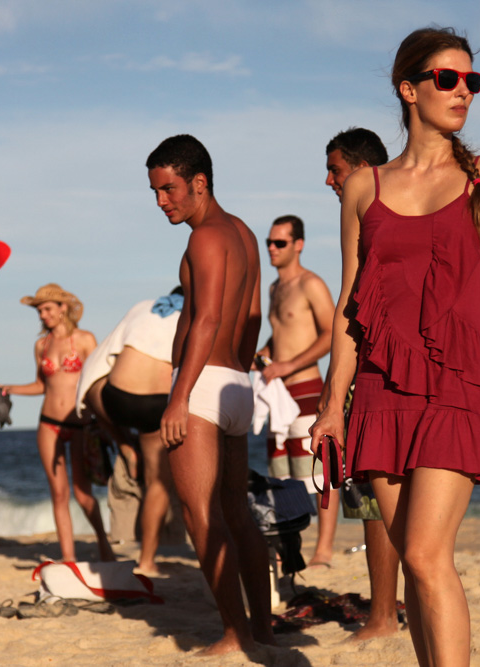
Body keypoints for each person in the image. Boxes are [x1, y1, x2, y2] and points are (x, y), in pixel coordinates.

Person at [310, 28, 480, 665]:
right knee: (413, 571)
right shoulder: (364, 187)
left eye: (472, 81)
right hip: (382, 391)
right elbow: (349, 305)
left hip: (457, 381)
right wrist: (334, 403)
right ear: (409, 89)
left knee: (423, 554)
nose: (464, 92)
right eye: (449, 79)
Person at [147, 134, 274, 656]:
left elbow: (209, 318)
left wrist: (180, 395)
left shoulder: (204, 238)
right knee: (237, 512)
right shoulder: (242, 233)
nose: (162, 201)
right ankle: (261, 630)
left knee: (202, 515)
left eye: (169, 189)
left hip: (200, 387)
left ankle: (233, 634)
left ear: (200, 182)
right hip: (236, 384)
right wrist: (237, 373)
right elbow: (251, 317)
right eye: (155, 192)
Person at [323, 127, 403, 640]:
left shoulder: (378, 209)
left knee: (375, 499)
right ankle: (387, 609)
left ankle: (381, 616)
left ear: (358, 168)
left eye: (334, 169)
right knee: (378, 499)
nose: (328, 180)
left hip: (377, 371)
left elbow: (354, 303)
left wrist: (337, 389)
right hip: (380, 368)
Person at [0, 283, 114, 563]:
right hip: (48, 424)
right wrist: (8, 389)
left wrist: (104, 422)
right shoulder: (41, 345)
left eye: (46, 309)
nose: (42, 315)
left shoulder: (85, 340)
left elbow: (98, 381)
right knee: (58, 494)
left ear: (63, 308)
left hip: (80, 423)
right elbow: (41, 384)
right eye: (38, 310)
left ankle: (104, 544)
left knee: (83, 495)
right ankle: (69, 559)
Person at [76, 290, 183, 576]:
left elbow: (101, 356)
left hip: (118, 399)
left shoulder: (143, 307)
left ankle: (123, 444)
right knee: (158, 484)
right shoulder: (198, 318)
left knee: (95, 387)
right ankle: (147, 560)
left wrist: (84, 401)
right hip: (158, 405)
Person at [254, 214, 338, 565]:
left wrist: (288, 364)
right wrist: (267, 352)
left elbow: (333, 334)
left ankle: (324, 549)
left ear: (298, 245)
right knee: (283, 474)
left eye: (280, 243)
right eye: (269, 243)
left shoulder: (311, 284)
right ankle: (292, 550)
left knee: (319, 472)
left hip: (306, 388)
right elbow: (284, 333)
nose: (272, 249)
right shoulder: (275, 288)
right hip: (278, 395)